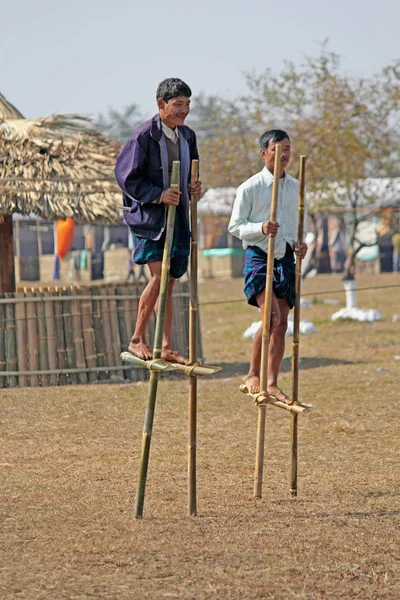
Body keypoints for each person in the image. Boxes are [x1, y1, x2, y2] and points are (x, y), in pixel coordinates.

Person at [115, 78, 201, 364]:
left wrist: (194, 188)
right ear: (161, 105)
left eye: (187, 104)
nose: (184, 110)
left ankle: (166, 345)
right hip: (150, 220)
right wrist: (159, 194)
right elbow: (126, 178)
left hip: (178, 217)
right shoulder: (143, 136)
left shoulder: (188, 136)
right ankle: (137, 338)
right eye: (178, 105)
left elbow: (191, 175)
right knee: (160, 275)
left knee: (170, 281)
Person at [228, 129, 307, 405]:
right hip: (260, 255)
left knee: (282, 324)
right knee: (270, 319)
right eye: (278, 149)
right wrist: (260, 227)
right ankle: (252, 375)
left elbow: (298, 222)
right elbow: (235, 226)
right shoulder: (250, 187)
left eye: (287, 149)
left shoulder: (296, 186)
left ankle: (272, 383)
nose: (284, 154)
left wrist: (300, 244)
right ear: (264, 153)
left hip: (285, 256)